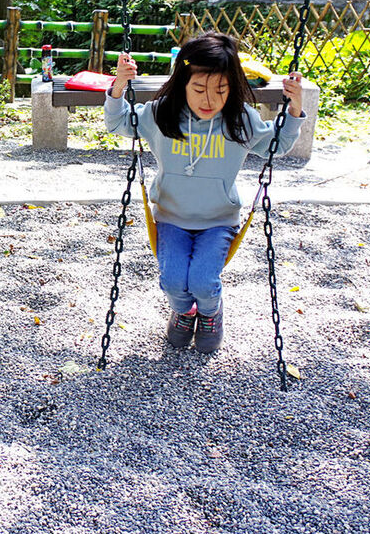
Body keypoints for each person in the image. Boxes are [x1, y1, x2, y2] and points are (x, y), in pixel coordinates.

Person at [104, 32, 304, 354]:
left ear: (232, 88)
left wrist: (293, 109)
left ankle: (211, 314)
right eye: (199, 89)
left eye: (221, 91)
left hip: (218, 221)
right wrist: (118, 86)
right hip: (171, 218)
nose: (209, 100)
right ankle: (184, 312)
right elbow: (118, 124)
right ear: (183, 82)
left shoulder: (240, 121)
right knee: (171, 281)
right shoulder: (161, 115)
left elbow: (276, 145)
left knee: (202, 281)